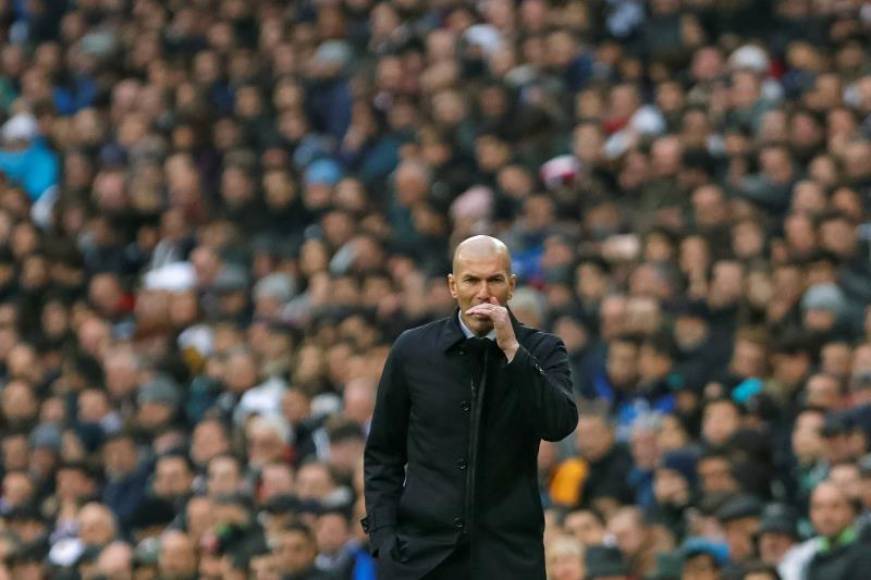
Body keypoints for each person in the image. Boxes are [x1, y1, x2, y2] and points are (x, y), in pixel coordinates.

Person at [363, 235, 579, 579]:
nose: (483, 292)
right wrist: (383, 540)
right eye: (471, 280)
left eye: (494, 280)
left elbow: (558, 424)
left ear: (511, 285)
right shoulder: (412, 350)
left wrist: (512, 349)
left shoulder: (544, 350)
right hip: (421, 557)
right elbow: (383, 454)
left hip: (507, 558)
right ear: (452, 286)